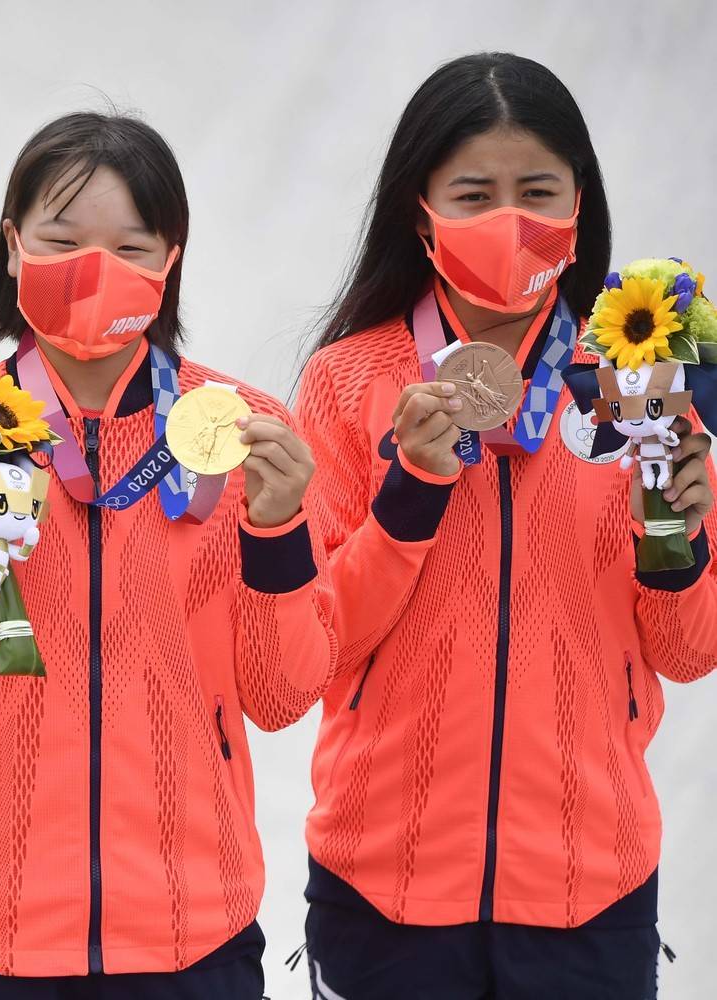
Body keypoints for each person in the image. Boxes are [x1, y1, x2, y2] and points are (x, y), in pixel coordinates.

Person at [295, 53, 717, 999]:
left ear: (579, 207)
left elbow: (688, 654)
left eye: (537, 192)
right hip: (383, 884)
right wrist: (408, 497)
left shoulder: (638, 390)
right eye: (474, 194)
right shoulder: (351, 383)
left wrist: (681, 549)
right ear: (421, 211)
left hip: (590, 887)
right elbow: (311, 648)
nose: (509, 223)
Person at [0, 111, 338, 999]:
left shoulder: (243, 431)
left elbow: (282, 696)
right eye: (63, 242)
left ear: (170, 259)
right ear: (14, 245)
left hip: (190, 925)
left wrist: (278, 530)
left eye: (131, 248)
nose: (96, 272)